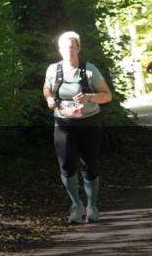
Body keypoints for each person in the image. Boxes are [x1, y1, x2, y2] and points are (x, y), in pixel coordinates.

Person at [43, 31, 113, 224]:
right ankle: (76, 205)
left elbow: (107, 96)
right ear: (59, 49)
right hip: (63, 123)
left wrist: (89, 97)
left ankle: (92, 206)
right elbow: (47, 88)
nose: (69, 50)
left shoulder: (90, 70)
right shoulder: (53, 70)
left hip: (89, 121)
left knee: (89, 164)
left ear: (78, 48)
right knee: (66, 165)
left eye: (72, 46)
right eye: (65, 47)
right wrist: (49, 99)